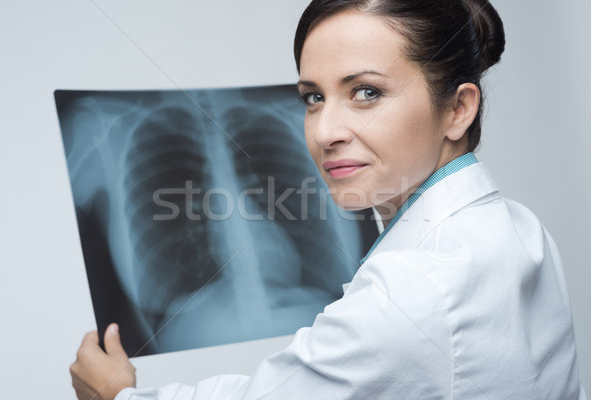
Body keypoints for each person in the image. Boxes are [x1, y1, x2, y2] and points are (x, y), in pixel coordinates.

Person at [70, 0, 588, 398]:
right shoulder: (517, 228)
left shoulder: (413, 290)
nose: (324, 131)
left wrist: (118, 393)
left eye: (366, 92)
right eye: (313, 97)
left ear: (458, 109)